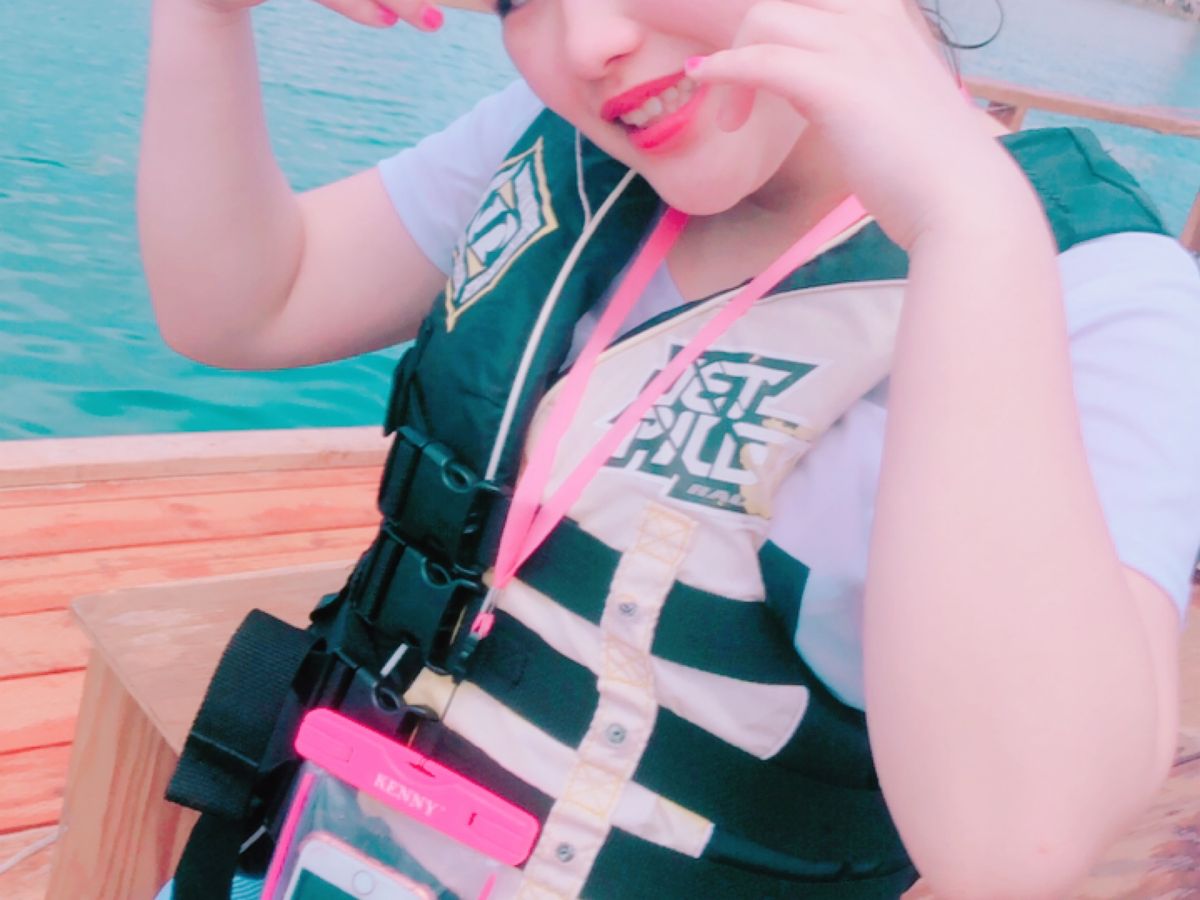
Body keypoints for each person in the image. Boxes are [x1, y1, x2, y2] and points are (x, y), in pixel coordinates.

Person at [141, 0, 1200, 897]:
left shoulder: (1094, 294)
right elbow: (251, 304)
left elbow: (1020, 841)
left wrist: (970, 226)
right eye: (518, 0)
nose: (586, 42)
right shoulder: (575, 145)